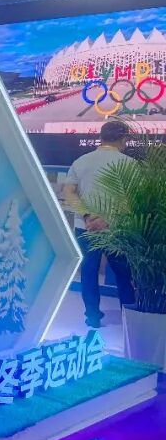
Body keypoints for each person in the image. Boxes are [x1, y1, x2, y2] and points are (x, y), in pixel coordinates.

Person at [61, 120, 136, 327]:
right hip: (117, 228)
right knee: (123, 274)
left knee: (89, 272)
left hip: (85, 227)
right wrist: (108, 219)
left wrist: (88, 216)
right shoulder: (129, 164)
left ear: (100, 137)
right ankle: (129, 319)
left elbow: (69, 192)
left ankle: (93, 317)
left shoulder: (81, 161)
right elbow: (133, 199)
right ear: (123, 139)